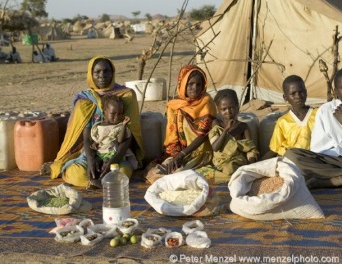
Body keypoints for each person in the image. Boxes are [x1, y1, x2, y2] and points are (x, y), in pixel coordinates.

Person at [48, 56, 144, 187]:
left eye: (106, 71)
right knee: (78, 175)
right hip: (91, 151)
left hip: (118, 152)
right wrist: (91, 160)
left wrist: (112, 161)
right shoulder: (84, 100)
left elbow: (129, 135)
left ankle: (100, 180)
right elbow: (86, 137)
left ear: (113, 72)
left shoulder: (127, 95)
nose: (102, 75)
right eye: (97, 72)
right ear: (90, 74)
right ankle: (94, 180)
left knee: (120, 173)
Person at [144, 64, 217, 184]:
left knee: (179, 176)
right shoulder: (175, 105)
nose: (195, 88)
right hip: (180, 153)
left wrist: (182, 155)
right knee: (158, 173)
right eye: (190, 84)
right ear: (183, 84)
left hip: (201, 154)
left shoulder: (207, 102)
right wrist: (175, 156)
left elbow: (203, 135)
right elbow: (173, 137)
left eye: (199, 84)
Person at [208, 89, 259, 183]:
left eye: (231, 107)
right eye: (224, 109)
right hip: (219, 162)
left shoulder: (243, 126)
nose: (228, 111)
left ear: (237, 107)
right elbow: (215, 147)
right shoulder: (216, 124)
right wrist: (226, 130)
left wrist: (250, 164)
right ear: (218, 110)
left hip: (236, 161)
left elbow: (250, 149)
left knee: (230, 169)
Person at [262, 75, 317, 160]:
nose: (298, 96)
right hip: (290, 159)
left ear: (306, 92)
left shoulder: (318, 114)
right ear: (285, 97)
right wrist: (259, 163)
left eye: (301, 91)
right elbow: (275, 149)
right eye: (293, 93)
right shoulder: (283, 121)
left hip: (315, 157)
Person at [88, 95, 137, 188]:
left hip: (112, 153)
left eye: (120, 114)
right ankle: (94, 179)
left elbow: (120, 140)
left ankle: (100, 180)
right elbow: (96, 139)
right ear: (104, 112)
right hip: (100, 153)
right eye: (113, 113)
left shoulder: (119, 127)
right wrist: (95, 144)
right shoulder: (98, 126)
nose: (117, 117)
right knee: (97, 164)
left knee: (107, 164)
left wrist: (123, 125)